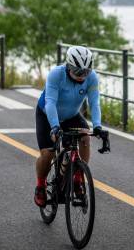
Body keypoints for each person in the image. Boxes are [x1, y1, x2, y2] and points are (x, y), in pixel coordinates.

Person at [34, 45, 103, 207]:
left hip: (72, 116)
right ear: (68, 66)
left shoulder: (92, 77)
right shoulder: (56, 74)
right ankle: (40, 186)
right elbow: (50, 102)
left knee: (85, 137)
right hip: (47, 114)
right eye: (78, 72)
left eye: (86, 72)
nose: (82, 76)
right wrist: (55, 126)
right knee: (48, 154)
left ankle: (78, 177)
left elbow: (94, 103)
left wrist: (98, 126)